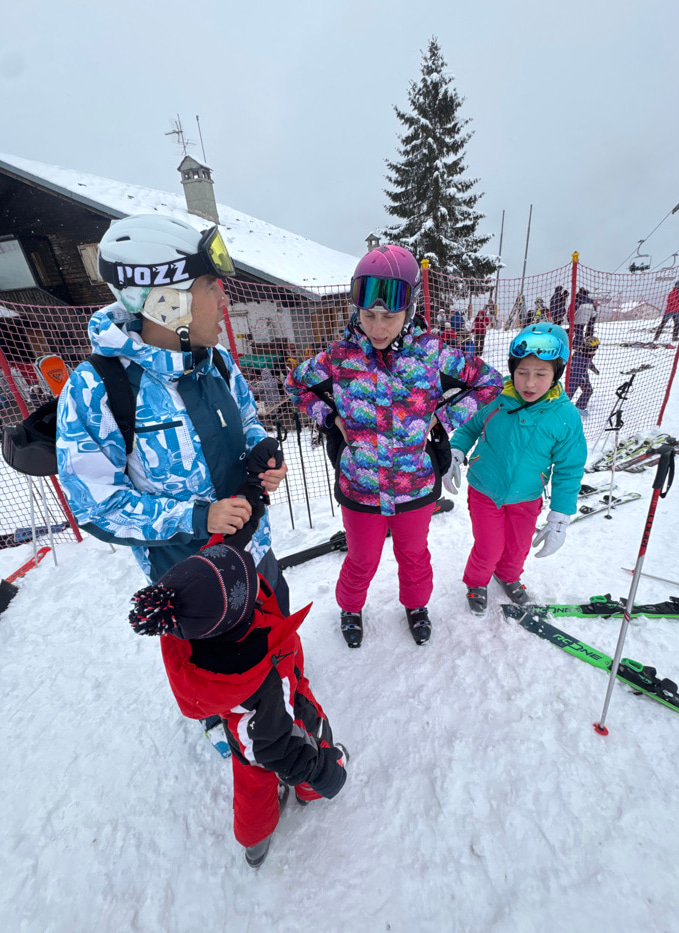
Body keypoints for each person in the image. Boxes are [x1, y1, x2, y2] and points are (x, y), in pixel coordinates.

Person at [56, 214, 290, 610]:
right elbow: (96, 505)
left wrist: (261, 450)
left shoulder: (216, 360)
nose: (224, 301)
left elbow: (248, 420)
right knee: (230, 655)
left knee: (279, 633)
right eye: (211, 287)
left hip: (258, 553)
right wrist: (198, 519)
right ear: (167, 304)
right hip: (193, 583)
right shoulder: (96, 389)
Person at [285, 245, 503, 648]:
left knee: (414, 555)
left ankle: (416, 606)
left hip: (414, 486)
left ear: (410, 309)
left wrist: (443, 419)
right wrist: (330, 418)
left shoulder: (432, 353)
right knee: (361, 558)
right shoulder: (340, 357)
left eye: (389, 316)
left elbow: (489, 382)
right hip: (360, 486)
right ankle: (350, 609)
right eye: (368, 315)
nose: (377, 327)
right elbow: (295, 385)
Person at [128, 539, 347, 868]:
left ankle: (254, 842)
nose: (258, 576)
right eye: (250, 578)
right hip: (283, 719)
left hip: (243, 733)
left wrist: (246, 518)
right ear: (238, 616)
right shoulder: (261, 670)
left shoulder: (200, 629)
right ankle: (309, 791)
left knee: (252, 788)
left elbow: (219, 566)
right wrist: (323, 772)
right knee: (311, 737)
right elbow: (280, 748)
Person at [444, 322, 587, 615]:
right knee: (489, 547)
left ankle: (508, 576)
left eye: (541, 374)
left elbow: (569, 468)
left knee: (519, 547)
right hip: (485, 490)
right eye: (522, 372)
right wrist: (455, 452)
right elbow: (469, 428)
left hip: (528, 496)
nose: (529, 383)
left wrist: (560, 516)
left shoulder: (565, 416)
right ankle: (477, 581)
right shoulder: (496, 398)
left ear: (556, 374)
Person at [568, 336, 600, 414]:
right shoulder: (578, 358)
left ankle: (579, 408)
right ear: (587, 348)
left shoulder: (586, 354)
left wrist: (593, 368)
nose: (594, 352)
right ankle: (560, 409)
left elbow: (588, 362)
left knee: (588, 390)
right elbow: (576, 371)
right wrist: (583, 379)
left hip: (583, 375)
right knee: (568, 395)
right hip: (574, 378)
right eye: (593, 350)